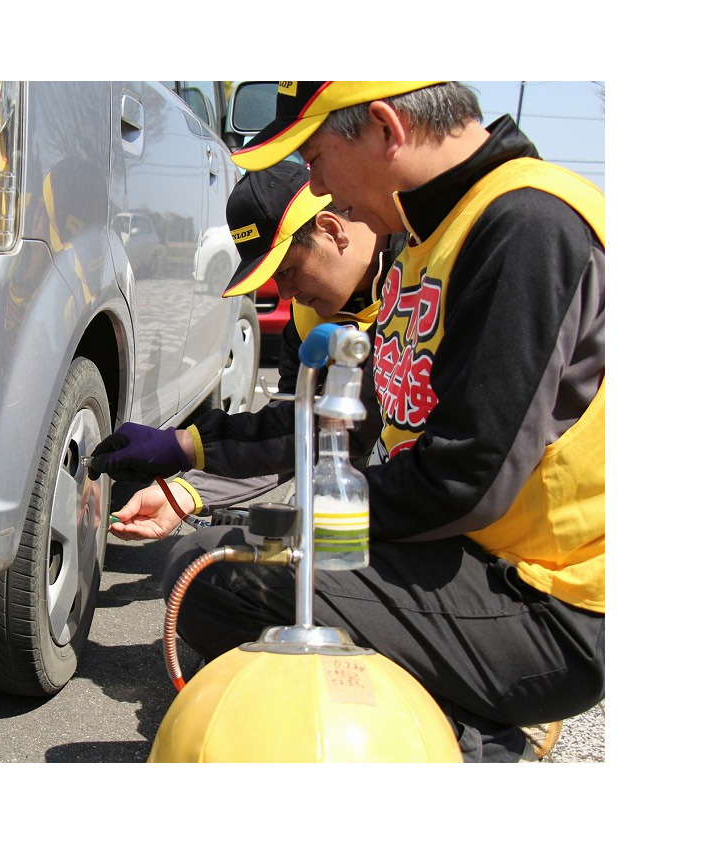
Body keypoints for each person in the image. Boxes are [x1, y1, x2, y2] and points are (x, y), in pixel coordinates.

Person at [96, 82, 604, 762]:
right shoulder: (425, 244)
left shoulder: (527, 228)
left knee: (228, 577)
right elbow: (346, 424)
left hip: (547, 600)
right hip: (467, 556)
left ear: (386, 128)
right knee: (206, 572)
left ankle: (477, 736)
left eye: (316, 159)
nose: (322, 189)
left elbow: (466, 479)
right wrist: (187, 451)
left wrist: (295, 523)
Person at [95, 159, 404, 538]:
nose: (286, 293)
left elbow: (341, 431)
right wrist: (187, 492)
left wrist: (185, 444)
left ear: (330, 231)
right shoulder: (309, 321)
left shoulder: (419, 279)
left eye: (286, 271)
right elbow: (292, 433)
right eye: (274, 279)